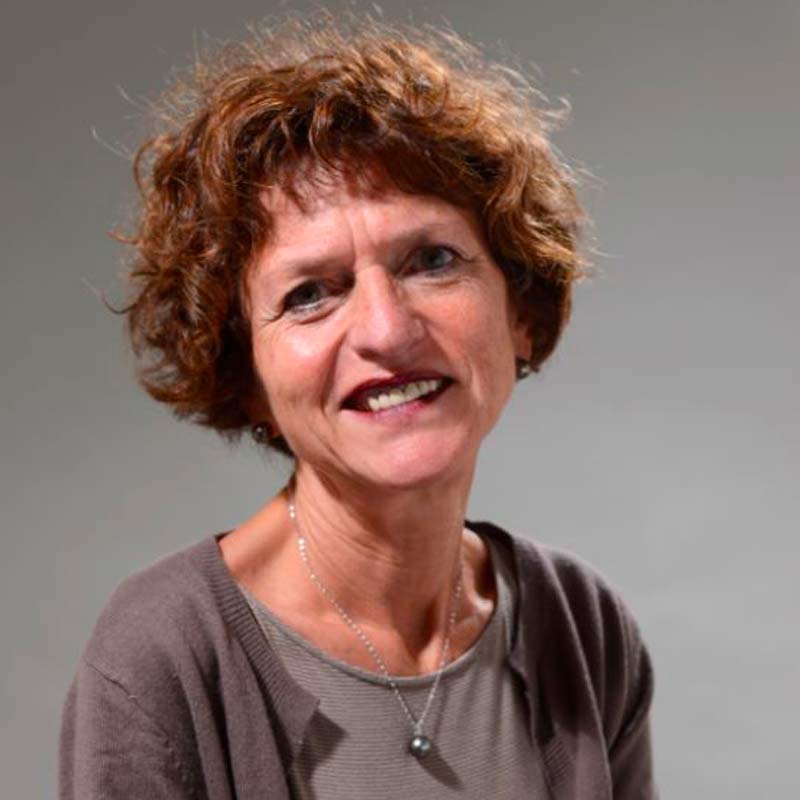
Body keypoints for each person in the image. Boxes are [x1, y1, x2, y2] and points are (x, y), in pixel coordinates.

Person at [60, 15, 657, 799]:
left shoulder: (582, 627)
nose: (386, 330)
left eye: (431, 260)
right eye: (311, 294)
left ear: (520, 309)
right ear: (245, 375)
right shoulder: (162, 658)